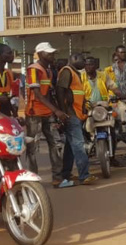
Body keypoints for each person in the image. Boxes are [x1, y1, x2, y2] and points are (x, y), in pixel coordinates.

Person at [25, 42, 66, 186]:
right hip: (34, 113)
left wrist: (55, 110)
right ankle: (33, 180)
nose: (52, 55)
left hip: (47, 113)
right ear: (40, 54)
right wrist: (57, 110)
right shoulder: (34, 70)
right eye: (49, 53)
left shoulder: (47, 70)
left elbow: (48, 94)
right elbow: (38, 95)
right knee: (32, 148)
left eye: (53, 53)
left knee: (55, 144)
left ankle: (57, 178)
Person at [56, 54, 97, 187]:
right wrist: (63, 113)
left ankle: (66, 173)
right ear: (73, 59)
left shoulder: (75, 73)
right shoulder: (67, 71)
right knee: (79, 145)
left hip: (76, 113)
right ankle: (84, 175)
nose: (85, 63)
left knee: (70, 146)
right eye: (82, 60)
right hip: (70, 114)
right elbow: (60, 91)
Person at [81, 56, 123, 167]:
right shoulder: (81, 77)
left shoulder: (103, 75)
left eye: (91, 64)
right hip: (87, 107)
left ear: (96, 66)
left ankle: (112, 156)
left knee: (114, 125)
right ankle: (85, 148)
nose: (88, 67)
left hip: (103, 106)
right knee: (81, 127)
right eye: (86, 64)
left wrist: (119, 94)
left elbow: (113, 87)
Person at [105, 45, 126, 126]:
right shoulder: (113, 67)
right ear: (116, 53)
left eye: (124, 52)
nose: (123, 54)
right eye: (121, 52)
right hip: (119, 98)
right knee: (120, 118)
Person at [0, 44, 17, 117]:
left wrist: (14, 113)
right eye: (9, 53)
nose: (12, 55)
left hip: (5, 112)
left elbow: (7, 96)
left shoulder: (8, 73)